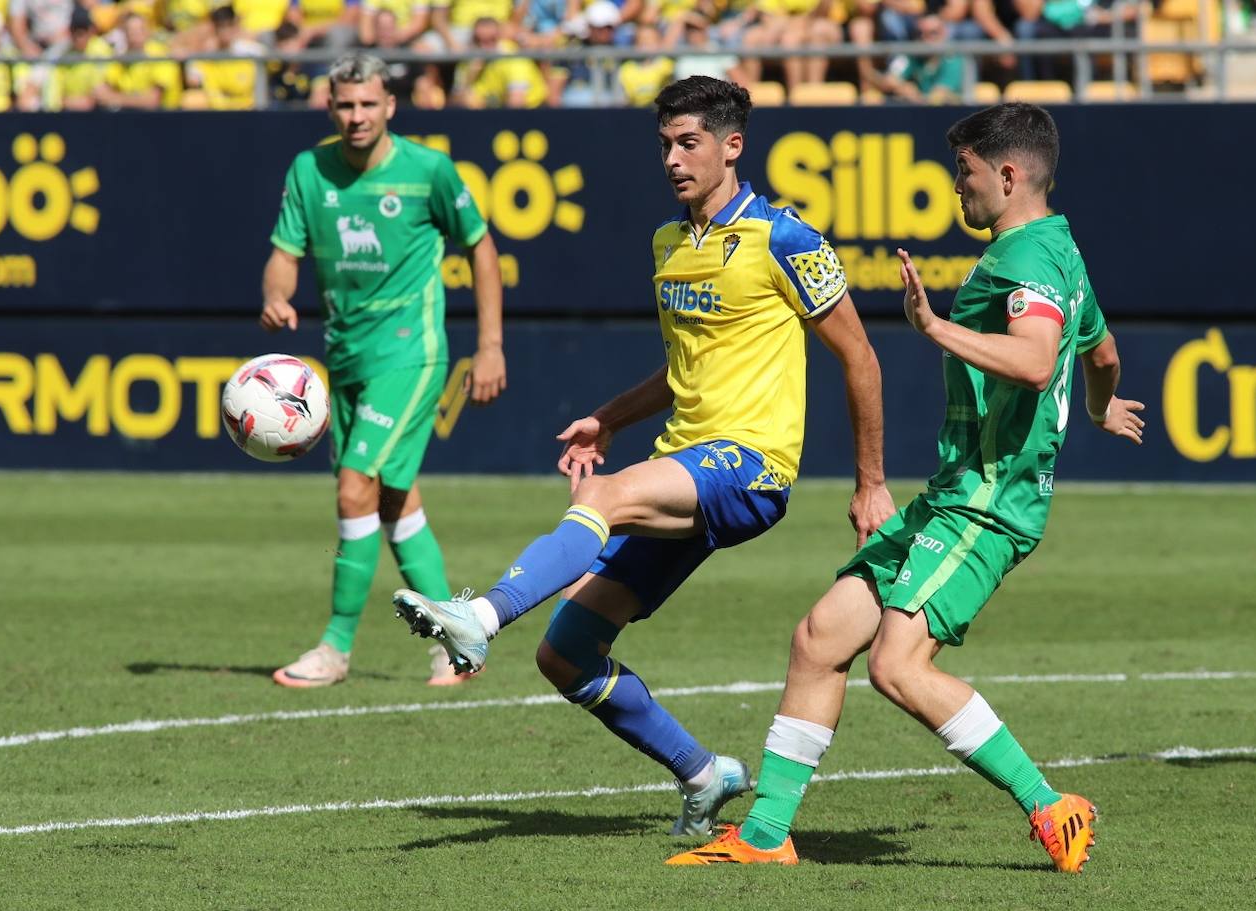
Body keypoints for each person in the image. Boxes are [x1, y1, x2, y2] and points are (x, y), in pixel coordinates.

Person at [395, 75, 893, 835]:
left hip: (750, 466)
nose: (672, 158)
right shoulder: (669, 241)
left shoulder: (784, 237)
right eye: (664, 143)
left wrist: (871, 483)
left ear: (733, 146)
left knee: (600, 499)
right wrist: (608, 418)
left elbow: (860, 356)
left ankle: (481, 615)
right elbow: (683, 368)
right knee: (566, 653)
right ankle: (703, 772)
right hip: (683, 464)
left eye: (688, 142)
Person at [666, 103, 1145, 872]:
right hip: (953, 496)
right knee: (820, 639)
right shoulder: (1060, 246)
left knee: (896, 665)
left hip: (987, 506)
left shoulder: (1025, 259)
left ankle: (1052, 808)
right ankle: (763, 837)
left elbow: (1031, 359)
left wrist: (934, 326)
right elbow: (1104, 348)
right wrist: (1099, 405)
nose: (958, 188)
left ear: (1008, 175)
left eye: (965, 173)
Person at [260, 53, 507, 688]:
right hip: (345, 360)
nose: (357, 116)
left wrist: (491, 346)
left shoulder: (428, 170)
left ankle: (335, 648)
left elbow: (480, 246)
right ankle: (461, 642)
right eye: (346, 105)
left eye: (368, 104)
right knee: (394, 502)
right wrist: (276, 297)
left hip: (411, 354)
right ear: (330, 106)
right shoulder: (309, 169)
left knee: (353, 487)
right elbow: (285, 252)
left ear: (390, 105)